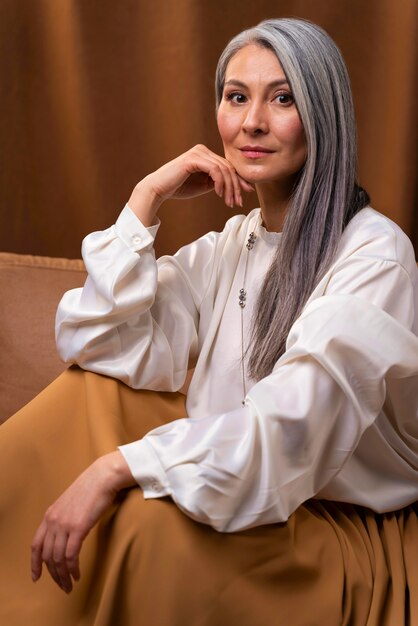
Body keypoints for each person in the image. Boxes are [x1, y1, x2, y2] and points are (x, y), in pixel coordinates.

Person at [1, 16, 418, 626]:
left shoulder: (375, 256)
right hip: (241, 488)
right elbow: (97, 344)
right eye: (235, 96)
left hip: (332, 524)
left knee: (147, 526)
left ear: (324, 115)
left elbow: (289, 434)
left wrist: (117, 466)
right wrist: (145, 200)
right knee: (83, 394)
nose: (251, 122)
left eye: (282, 98)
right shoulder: (235, 242)